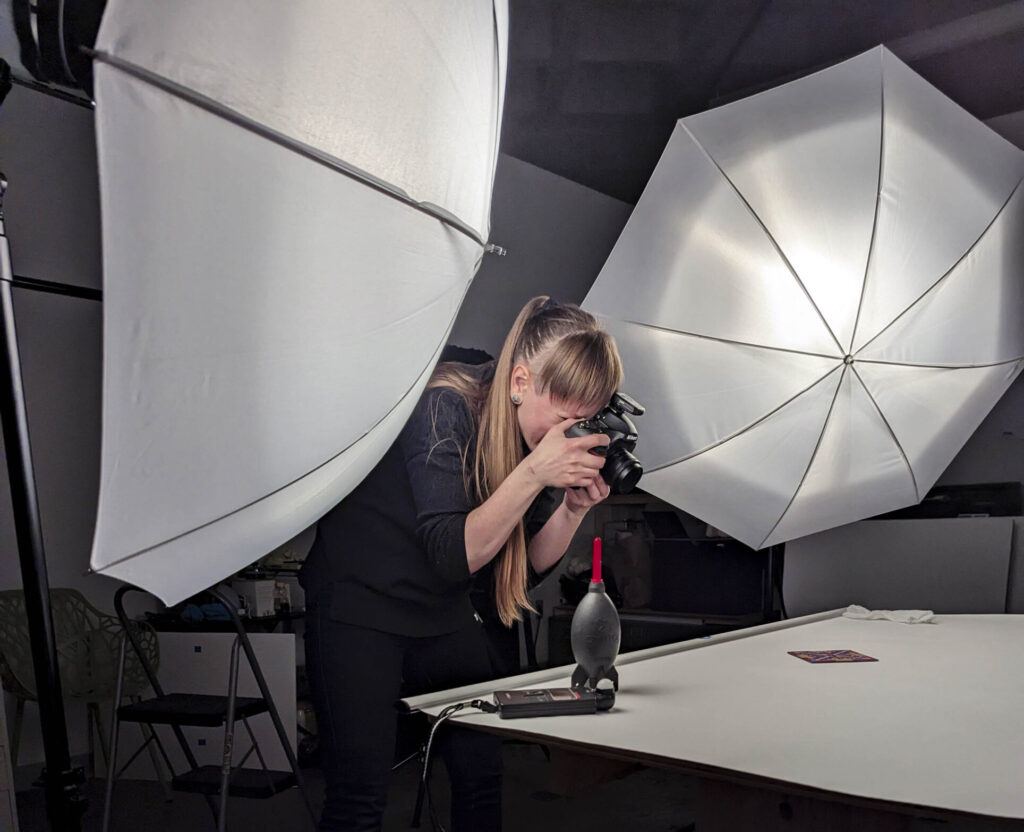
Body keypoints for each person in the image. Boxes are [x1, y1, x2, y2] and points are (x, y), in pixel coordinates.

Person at [300, 295, 624, 831]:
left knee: (480, 772)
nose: (569, 435)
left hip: (440, 610)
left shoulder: (531, 441)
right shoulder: (444, 405)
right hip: (359, 603)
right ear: (520, 382)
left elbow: (518, 572)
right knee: (360, 794)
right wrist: (535, 474)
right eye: (564, 417)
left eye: (584, 421)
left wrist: (572, 510)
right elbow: (455, 554)